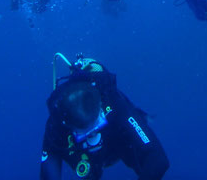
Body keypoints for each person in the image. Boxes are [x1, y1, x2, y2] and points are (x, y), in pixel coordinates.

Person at [40, 53, 169, 180]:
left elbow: (158, 160)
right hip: (81, 153)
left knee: (135, 154)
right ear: (68, 125)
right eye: (85, 134)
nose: (93, 135)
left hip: (115, 137)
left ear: (101, 106)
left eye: (96, 126)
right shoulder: (56, 126)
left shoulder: (113, 103)